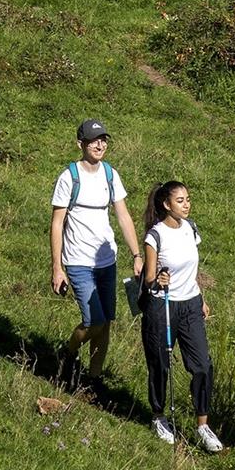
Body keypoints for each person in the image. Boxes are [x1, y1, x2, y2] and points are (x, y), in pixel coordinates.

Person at [50, 119, 142, 388]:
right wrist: (57, 267)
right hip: (78, 261)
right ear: (80, 144)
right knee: (95, 321)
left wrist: (137, 255)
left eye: (103, 139)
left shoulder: (110, 175)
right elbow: (57, 223)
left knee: (107, 322)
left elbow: (123, 216)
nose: (100, 144)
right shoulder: (69, 177)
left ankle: (94, 378)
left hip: (106, 260)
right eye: (93, 140)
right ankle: (67, 354)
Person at [139, 181, 223, 453]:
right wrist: (159, 280)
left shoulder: (191, 229)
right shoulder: (156, 236)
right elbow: (149, 278)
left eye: (188, 199)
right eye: (180, 200)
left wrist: (201, 298)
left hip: (190, 305)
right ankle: (159, 416)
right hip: (162, 305)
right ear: (166, 205)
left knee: (202, 365)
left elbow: (192, 268)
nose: (186, 204)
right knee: (160, 364)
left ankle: (202, 425)